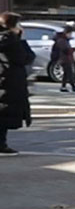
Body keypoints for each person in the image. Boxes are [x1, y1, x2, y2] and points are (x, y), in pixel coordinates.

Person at [0, 13, 34, 155]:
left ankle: (2, 143)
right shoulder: (11, 41)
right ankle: (1, 143)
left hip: (4, 80)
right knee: (5, 114)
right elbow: (25, 57)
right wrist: (20, 39)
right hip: (10, 81)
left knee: (3, 114)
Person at [51, 26, 75, 92]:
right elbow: (65, 49)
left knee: (66, 73)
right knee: (69, 73)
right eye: (70, 34)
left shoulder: (63, 39)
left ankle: (64, 87)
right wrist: (73, 49)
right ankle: (73, 87)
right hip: (64, 59)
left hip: (65, 59)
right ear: (67, 33)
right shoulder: (62, 40)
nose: (70, 35)